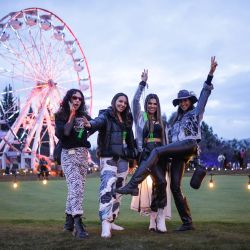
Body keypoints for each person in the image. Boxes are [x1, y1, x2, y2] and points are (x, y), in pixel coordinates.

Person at [117, 56, 218, 231]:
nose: (184, 103)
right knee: (174, 186)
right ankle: (187, 222)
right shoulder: (174, 122)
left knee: (157, 153)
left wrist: (210, 75)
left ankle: (133, 185)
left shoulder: (195, 113)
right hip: (177, 152)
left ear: (191, 102)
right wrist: (142, 83)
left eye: (187, 100)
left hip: (189, 145)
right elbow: (168, 140)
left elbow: (205, 95)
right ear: (179, 104)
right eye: (181, 101)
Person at [84, 93, 136, 238]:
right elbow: (98, 121)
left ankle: (112, 219)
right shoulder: (106, 115)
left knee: (119, 191)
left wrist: (132, 157)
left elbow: (130, 139)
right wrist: (90, 124)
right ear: (114, 101)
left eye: (125, 103)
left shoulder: (127, 118)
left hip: (123, 159)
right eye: (120, 101)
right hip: (108, 157)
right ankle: (105, 224)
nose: (123, 104)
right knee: (107, 189)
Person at [130, 69, 171, 233]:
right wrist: (142, 83)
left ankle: (159, 217)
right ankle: (153, 218)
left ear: (158, 105)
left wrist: (169, 157)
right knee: (153, 185)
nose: (152, 106)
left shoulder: (162, 120)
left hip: (161, 155)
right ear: (146, 105)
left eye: (155, 103)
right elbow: (134, 101)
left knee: (160, 184)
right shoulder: (141, 117)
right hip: (146, 155)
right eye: (150, 103)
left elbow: (167, 141)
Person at [55, 88, 91, 239]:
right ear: (68, 99)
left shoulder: (84, 116)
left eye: (80, 99)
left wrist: (90, 125)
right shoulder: (60, 116)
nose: (77, 100)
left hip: (82, 155)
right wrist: (71, 115)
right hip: (68, 155)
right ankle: (78, 223)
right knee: (76, 186)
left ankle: (68, 222)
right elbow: (65, 133)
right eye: (74, 98)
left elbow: (89, 132)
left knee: (76, 188)